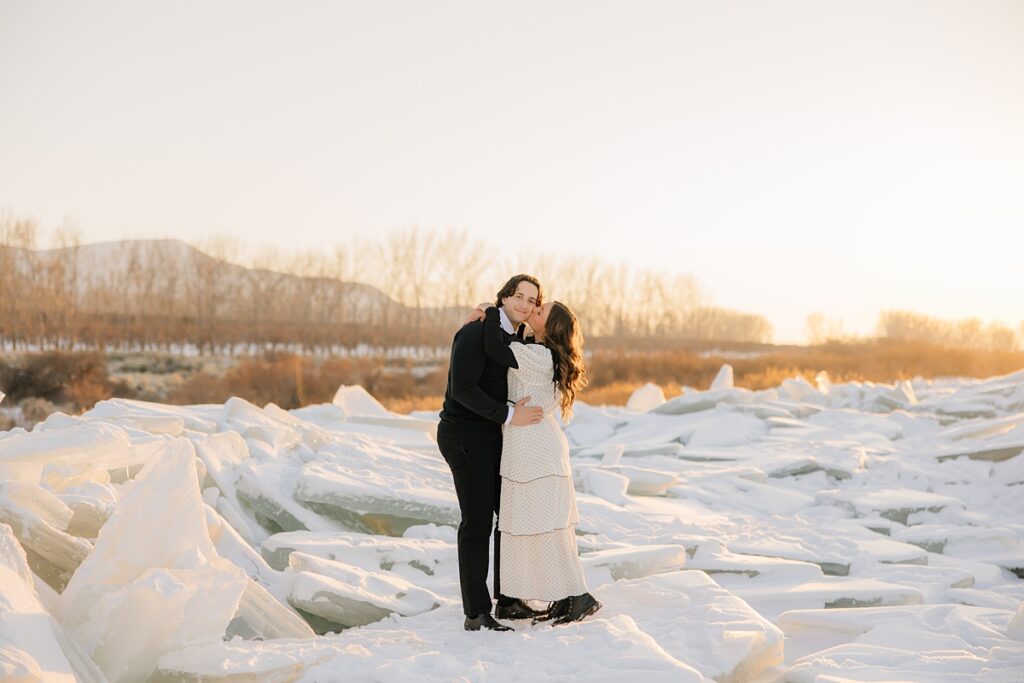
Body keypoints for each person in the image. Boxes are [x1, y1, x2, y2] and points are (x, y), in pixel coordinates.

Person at [472, 298, 602, 625]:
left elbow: (495, 346)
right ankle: (563, 595)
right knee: (538, 525)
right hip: (528, 447)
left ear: (551, 327)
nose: (533, 311)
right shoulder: (535, 350)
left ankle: (579, 596)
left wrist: (490, 312)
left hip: (537, 451)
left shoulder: (538, 355)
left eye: (540, 311)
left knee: (548, 527)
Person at [436, 274, 549, 632]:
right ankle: (476, 612)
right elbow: (463, 389)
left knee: (509, 516)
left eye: (531, 300)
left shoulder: (514, 337)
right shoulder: (475, 331)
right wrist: (511, 414)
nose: (524, 303)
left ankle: (509, 599)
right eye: (518, 295)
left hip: (493, 436)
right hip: (465, 435)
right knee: (478, 522)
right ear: (504, 297)